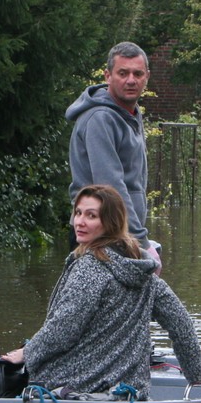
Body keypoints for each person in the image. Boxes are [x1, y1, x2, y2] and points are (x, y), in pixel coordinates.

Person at [2, 184, 201, 399]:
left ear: (110, 222)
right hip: (129, 391)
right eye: (78, 213)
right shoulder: (144, 272)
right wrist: (198, 373)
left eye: (91, 215)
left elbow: (64, 328)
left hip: (72, 385)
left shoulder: (89, 267)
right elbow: (180, 323)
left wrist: (27, 353)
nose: (80, 222)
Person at [66, 41, 162, 271]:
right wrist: (142, 244)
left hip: (120, 236)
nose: (131, 80)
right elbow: (112, 187)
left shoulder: (128, 113)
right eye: (123, 73)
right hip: (100, 237)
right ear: (108, 75)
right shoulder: (101, 118)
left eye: (137, 73)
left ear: (147, 76)